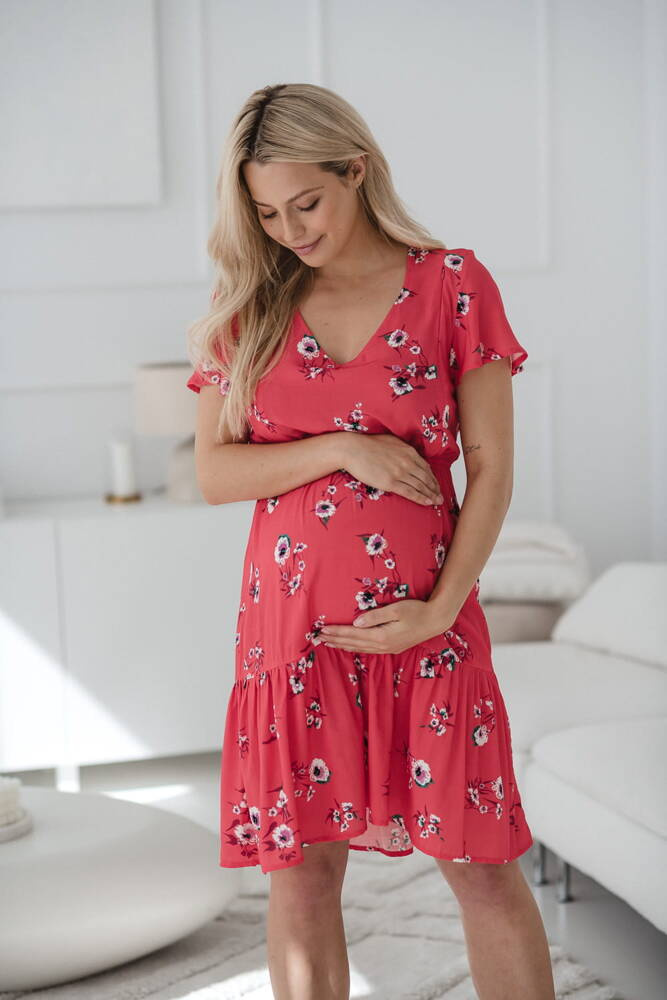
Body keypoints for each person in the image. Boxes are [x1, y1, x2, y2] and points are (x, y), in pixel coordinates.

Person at [186, 83, 555, 1000]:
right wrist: (344, 447)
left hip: (428, 627)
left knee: (481, 865)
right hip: (294, 637)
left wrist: (438, 612)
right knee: (304, 874)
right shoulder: (248, 303)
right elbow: (216, 474)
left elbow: (491, 471)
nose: (289, 230)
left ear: (355, 170)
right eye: (266, 213)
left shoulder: (452, 284)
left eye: (306, 202)